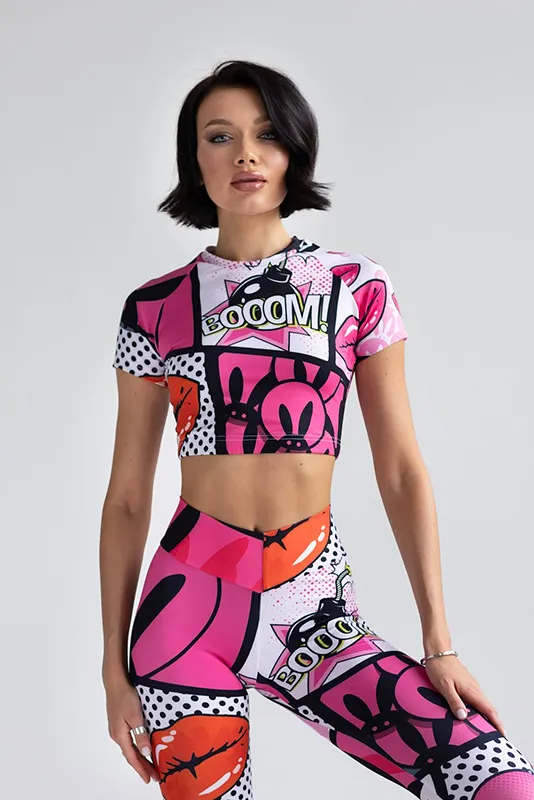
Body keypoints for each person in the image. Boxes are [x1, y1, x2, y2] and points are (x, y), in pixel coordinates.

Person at [100, 59, 534, 800]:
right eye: (220, 136)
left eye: (267, 135)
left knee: (500, 784)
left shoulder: (355, 288)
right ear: (193, 159)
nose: (246, 154)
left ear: (294, 151)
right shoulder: (154, 308)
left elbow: (401, 470)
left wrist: (439, 641)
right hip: (184, 618)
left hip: (314, 610)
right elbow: (127, 498)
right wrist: (114, 670)